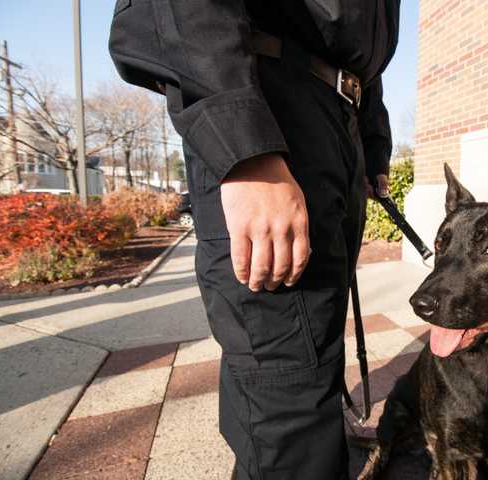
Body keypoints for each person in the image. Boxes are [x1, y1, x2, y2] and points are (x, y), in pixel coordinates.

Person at [109, 1, 399, 479]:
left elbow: (366, 54)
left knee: (315, 349)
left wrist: (372, 146)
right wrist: (244, 148)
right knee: (286, 385)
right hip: (274, 108)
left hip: (340, 120)